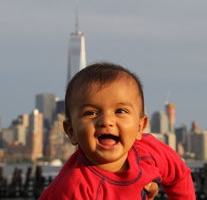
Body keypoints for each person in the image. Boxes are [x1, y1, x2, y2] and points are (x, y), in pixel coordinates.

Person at [39, 62, 195, 200]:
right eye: (91, 113)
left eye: (120, 111)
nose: (106, 121)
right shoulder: (75, 188)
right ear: (71, 131)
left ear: (140, 127)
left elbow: (179, 176)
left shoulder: (150, 151)